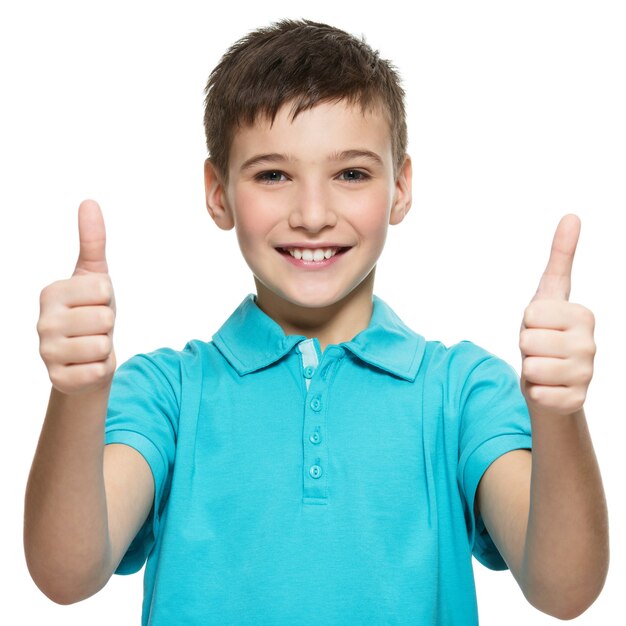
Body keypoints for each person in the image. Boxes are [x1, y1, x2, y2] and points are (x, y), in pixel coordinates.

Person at [24, 18, 608, 626]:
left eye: (351, 173)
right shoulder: (166, 394)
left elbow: (564, 591)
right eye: (272, 175)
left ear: (400, 187)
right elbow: (66, 575)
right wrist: (78, 396)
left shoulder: (462, 392)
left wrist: (560, 415)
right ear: (218, 191)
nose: (311, 214)